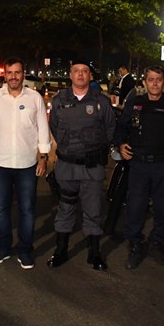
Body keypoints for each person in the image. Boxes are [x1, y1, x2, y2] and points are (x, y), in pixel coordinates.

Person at [0, 57, 51, 269]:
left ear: (23, 73)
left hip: (27, 164)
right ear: (5, 75)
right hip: (0, 163)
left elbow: (42, 129)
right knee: (1, 208)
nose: (13, 77)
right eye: (9, 73)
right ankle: (3, 247)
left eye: (17, 72)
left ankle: (25, 250)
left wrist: (43, 157)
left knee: (27, 209)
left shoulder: (35, 98)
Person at [114, 65, 164, 269]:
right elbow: (121, 128)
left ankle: (157, 243)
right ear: (144, 82)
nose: (155, 83)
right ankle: (135, 244)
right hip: (139, 165)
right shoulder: (135, 103)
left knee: (163, 208)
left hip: (163, 166)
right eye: (151, 79)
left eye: (159, 79)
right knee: (135, 206)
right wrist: (120, 145)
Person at [46, 59, 116, 271]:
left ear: (90, 76)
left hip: (92, 167)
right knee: (65, 209)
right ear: (70, 75)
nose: (80, 75)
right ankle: (61, 250)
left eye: (85, 71)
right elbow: (55, 127)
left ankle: (94, 253)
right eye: (76, 71)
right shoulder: (59, 101)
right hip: (67, 166)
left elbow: (110, 129)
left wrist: (94, 149)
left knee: (93, 210)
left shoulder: (101, 102)